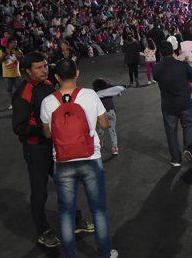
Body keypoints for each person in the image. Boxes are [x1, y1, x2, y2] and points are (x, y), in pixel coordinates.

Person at [13, 52, 94, 248]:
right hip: (36, 149)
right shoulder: (23, 93)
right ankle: (43, 231)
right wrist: (45, 128)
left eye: (45, 65)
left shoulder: (49, 85)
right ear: (27, 71)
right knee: (40, 191)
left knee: (66, 183)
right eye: (39, 67)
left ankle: (76, 221)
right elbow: (19, 127)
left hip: (53, 145)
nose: (44, 69)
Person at [40, 59, 117, 258]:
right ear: (77, 73)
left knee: (66, 212)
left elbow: (47, 134)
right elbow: (104, 124)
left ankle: (70, 254)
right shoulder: (90, 95)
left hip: (63, 161)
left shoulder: (48, 102)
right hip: (91, 157)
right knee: (98, 209)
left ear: (56, 77)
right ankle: (105, 252)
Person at [153, 41, 192, 165]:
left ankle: (176, 159)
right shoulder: (182, 65)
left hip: (168, 104)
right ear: (173, 51)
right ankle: (188, 148)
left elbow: (156, 78)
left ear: (160, 53)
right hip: (184, 101)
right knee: (188, 125)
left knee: (171, 131)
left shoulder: (157, 67)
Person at [92, 78, 126, 156]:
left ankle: (100, 143)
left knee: (101, 129)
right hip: (111, 112)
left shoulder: (94, 93)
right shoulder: (110, 91)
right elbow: (119, 92)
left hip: (101, 113)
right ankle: (115, 148)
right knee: (112, 130)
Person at [0, 38, 23, 109]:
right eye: (14, 43)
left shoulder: (17, 50)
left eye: (16, 43)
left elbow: (22, 58)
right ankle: (12, 103)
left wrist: (20, 56)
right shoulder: (2, 51)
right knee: (9, 90)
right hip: (7, 74)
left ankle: (21, 103)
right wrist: (4, 56)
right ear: (9, 43)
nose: (16, 44)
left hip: (17, 74)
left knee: (20, 90)